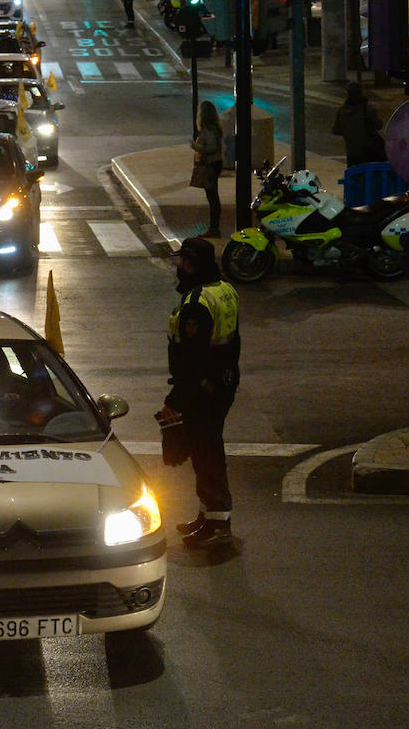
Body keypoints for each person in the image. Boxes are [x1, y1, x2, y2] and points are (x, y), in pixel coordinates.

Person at [158, 236, 241, 550]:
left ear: (191, 264)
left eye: (181, 261)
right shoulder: (225, 291)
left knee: (207, 454)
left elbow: (193, 360)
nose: (178, 266)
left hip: (204, 390)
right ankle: (209, 516)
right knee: (206, 451)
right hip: (222, 384)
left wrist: (175, 401)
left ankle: (218, 524)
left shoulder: (197, 304)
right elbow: (232, 344)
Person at [191, 100, 225, 238]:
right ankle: (214, 227)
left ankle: (214, 228)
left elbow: (211, 148)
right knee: (213, 196)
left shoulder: (208, 130)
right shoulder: (215, 128)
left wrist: (196, 147)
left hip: (211, 165)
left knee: (212, 197)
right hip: (215, 163)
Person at [332, 81, 384, 166]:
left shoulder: (342, 111)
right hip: (369, 151)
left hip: (352, 152)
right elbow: (379, 125)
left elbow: (336, 130)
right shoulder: (367, 109)